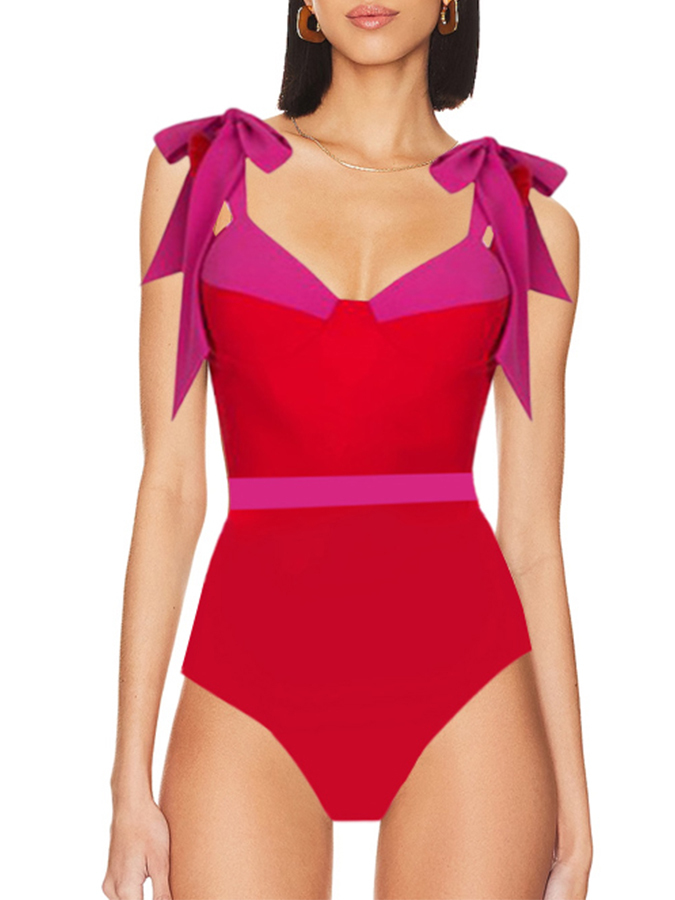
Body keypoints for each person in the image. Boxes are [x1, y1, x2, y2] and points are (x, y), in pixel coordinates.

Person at [102, 1, 592, 898]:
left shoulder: (526, 221)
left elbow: (530, 534)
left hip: (468, 685)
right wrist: (126, 781)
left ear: (451, 2)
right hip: (250, 678)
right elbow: (170, 487)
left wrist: (577, 804)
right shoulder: (198, 176)